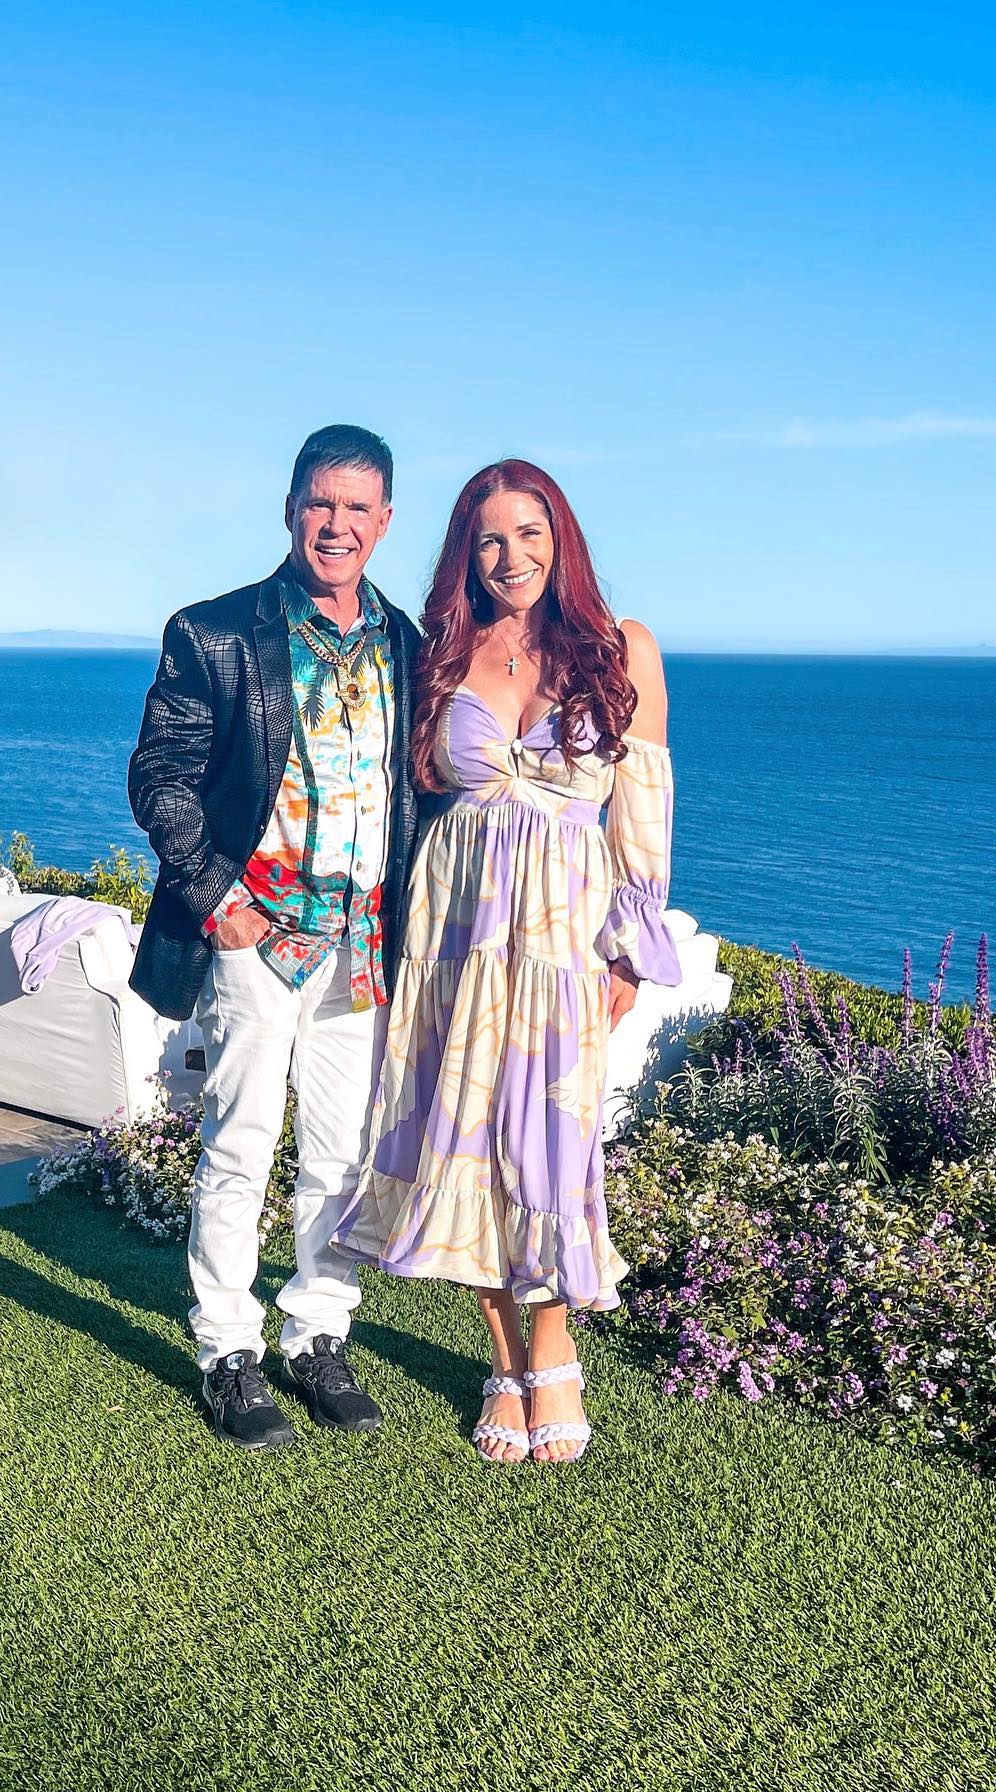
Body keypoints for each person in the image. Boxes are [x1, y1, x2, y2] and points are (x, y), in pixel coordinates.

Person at [334, 459, 681, 1464]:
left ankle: (555, 1346)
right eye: (490, 538)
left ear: (560, 537)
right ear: (465, 553)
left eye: (530, 533)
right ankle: (501, 1357)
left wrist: (629, 947)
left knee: (550, 1147)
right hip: (454, 929)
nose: (510, 556)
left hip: (563, 936)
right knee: (464, 1144)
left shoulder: (624, 650)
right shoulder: (442, 651)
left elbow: (642, 811)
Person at [127, 425, 421, 1451]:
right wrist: (219, 899)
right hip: (256, 941)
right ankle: (229, 1352)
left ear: (385, 524)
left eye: (357, 509)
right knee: (241, 1145)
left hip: (363, 947)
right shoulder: (213, 634)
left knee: (340, 1158)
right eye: (320, 503)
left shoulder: (410, 646)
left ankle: (317, 1336)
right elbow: (159, 780)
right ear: (292, 506)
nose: (336, 525)